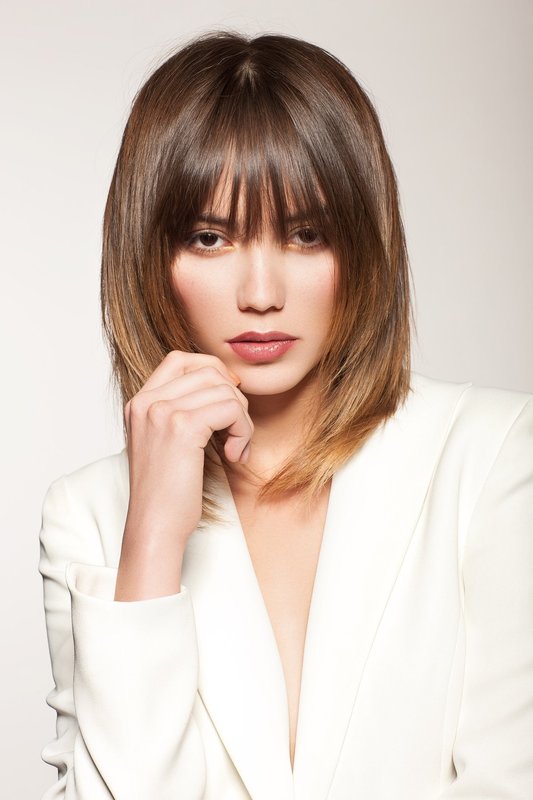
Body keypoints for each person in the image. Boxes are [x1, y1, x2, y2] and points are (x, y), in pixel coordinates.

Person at [38, 29, 533, 800]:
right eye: (210, 238)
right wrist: (152, 542)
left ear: (361, 247)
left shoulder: (491, 457)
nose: (260, 292)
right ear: (150, 258)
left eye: (306, 234)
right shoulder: (90, 517)